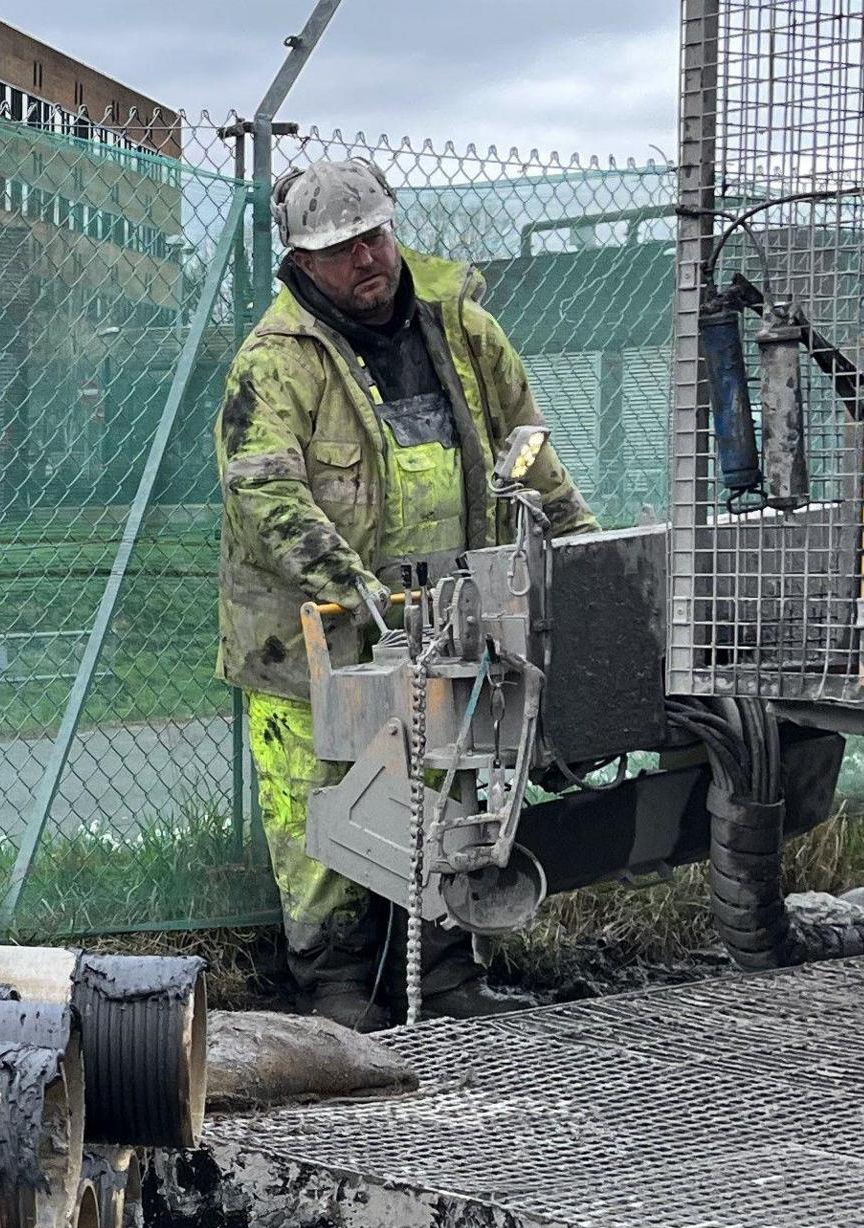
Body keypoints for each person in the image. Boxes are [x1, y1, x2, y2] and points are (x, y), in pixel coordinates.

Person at [216, 157, 596, 1028]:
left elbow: (526, 448)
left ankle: (449, 974)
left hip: (452, 631)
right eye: (341, 249)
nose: (366, 260)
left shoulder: (463, 331)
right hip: (310, 645)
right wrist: (355, 590)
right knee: (322, 815)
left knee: (448, 793)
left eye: (374, 237)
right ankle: (335, 991)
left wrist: (578, 550)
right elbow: (264, 489)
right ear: (302, 265)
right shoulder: (273, 366)